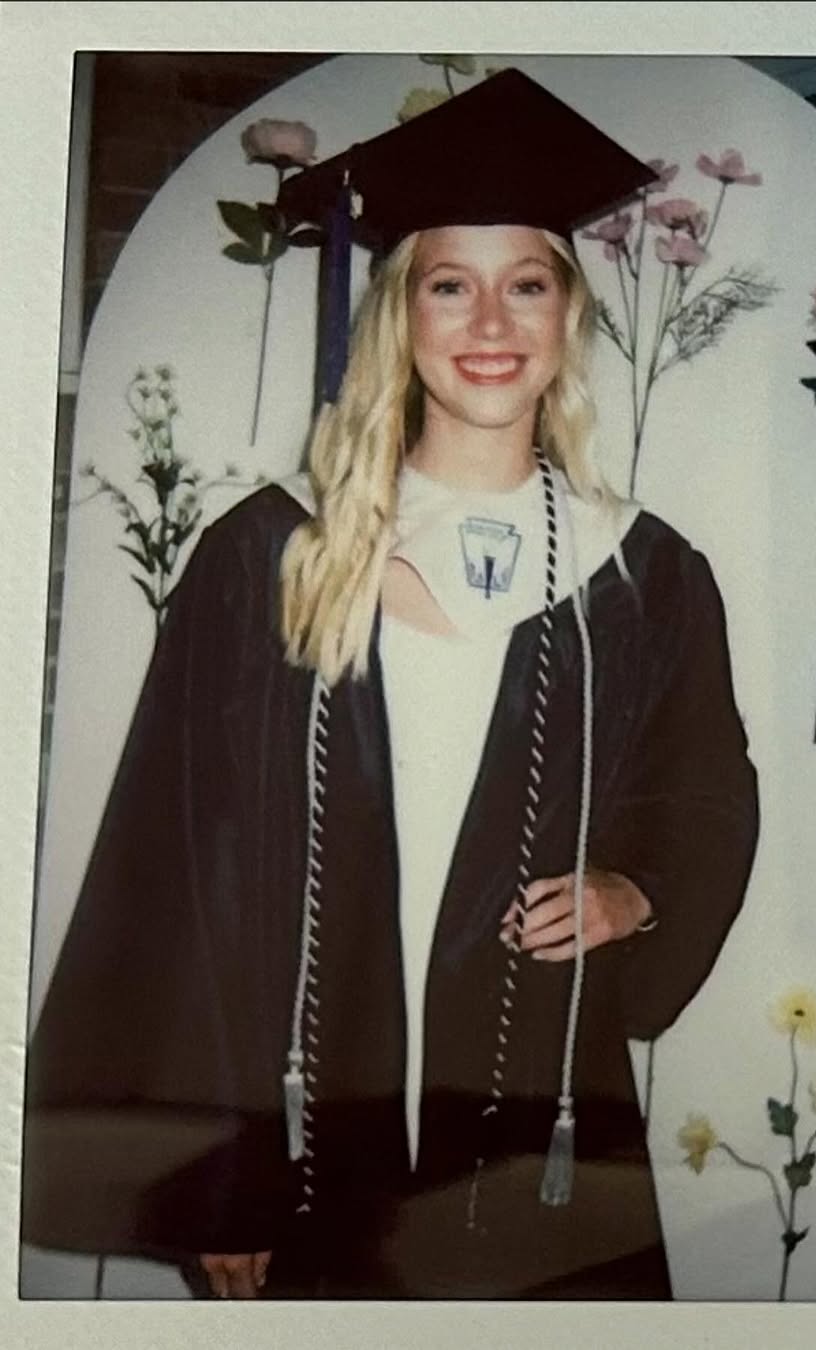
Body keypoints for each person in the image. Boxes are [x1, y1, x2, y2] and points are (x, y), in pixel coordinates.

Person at [22, 69, 759, 1300]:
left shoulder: (642, 572)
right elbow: (184, 868)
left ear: (568, 315)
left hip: (543, 1132)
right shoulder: (274, 554)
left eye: (527, 285)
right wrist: (220, 1176)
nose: (490, 322)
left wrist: (637, 891)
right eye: (449, 285)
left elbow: (705, 794)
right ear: (400, 315)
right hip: (312, 1138)